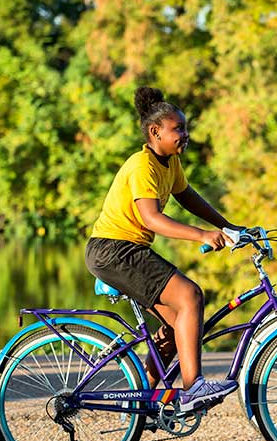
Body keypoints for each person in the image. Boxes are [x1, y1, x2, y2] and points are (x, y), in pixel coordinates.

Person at [85, 86, 241, 412]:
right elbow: (151, 218)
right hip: (116, 250)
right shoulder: (143, 166)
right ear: (155, 132)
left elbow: (188, 197)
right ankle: (194, 386)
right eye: (178, 129)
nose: (185, 134)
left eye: (185, 127)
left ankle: (141, 399)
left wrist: (229, 227)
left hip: (124, 251)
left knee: (175, 327)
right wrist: (201, 235)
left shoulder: (169, 163)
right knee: (191, 297)